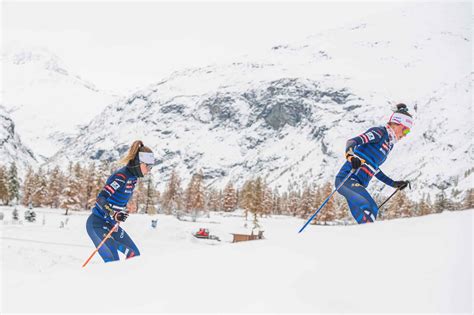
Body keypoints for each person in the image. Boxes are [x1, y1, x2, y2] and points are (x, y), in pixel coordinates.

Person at [335, 104, 413, 224]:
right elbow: (352, 142)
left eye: (408, 131)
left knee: (370, 215)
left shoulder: (389, 145)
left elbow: (374, 169)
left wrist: (394, 184)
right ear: (396, 124)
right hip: (346, 180)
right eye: (405, 129)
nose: (406, 134)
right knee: (369, 208)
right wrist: (351, 157)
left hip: (358, 184)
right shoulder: (379, 133)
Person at [86, 140, 155, 262]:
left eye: (151, 167)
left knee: (135, 255)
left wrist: (124, 207)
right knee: (113, 263)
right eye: (148, 166)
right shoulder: (121, 176)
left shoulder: (133, 178)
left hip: (111, 225)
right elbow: (101, 198)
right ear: (139, 162)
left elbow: (118, 198)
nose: (149, 170)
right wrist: (114, 214)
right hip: (97, 224)